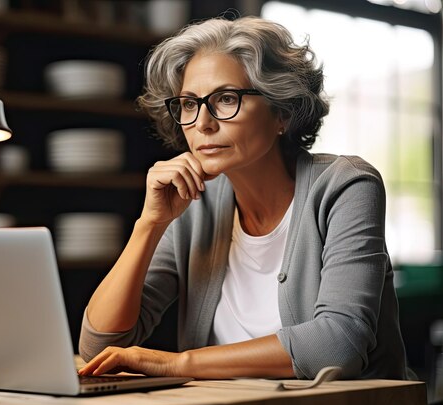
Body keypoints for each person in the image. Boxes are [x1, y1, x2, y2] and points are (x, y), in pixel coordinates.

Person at [77, 15, 408, 380]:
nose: (202, 123)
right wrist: (150, 224)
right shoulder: (193, 203)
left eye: (226, 99)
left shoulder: (345, 185)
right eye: (189, 104)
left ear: (282, 111)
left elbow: (337, 345)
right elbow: (99, 345)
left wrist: (175, 363)